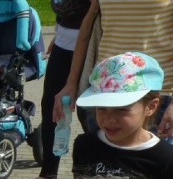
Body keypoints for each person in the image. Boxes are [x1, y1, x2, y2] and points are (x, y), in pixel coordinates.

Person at [71, 52, 173, 179]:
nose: (109, 119)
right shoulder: (85, 145)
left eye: (121, 109)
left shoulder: (165, 159)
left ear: (151, 106)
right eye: (101, 108)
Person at [53, 0, 173, 138]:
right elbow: (88, 28)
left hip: (155, 93)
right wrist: (71, 83)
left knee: (154, 158)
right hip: (104, 91)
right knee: (100, 157)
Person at [11, 0, 91, 179]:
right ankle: (48, 176)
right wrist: (59, 35)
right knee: (52, 110)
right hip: (64, 48)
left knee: (89, 114)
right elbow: (67, 12)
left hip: (90, 48)